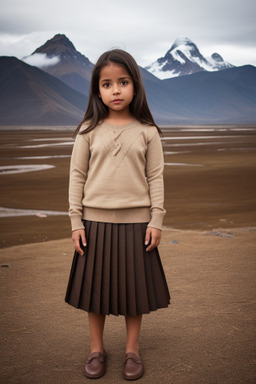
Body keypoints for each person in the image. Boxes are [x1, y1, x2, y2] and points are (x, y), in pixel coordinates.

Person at [65, 49, 170, 381]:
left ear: (135, 86)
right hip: (93, 225)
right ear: (98, 90)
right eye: (107, 84)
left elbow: (156, 178)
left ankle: (132, 351)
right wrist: (75, 222)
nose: (116, 90)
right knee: (94, 293)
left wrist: (156, 220)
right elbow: (76, 178)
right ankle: (97, 349)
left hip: (137, 225)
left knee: (133, 292)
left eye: (123, 82)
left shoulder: (148, 132)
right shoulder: (87, 131)